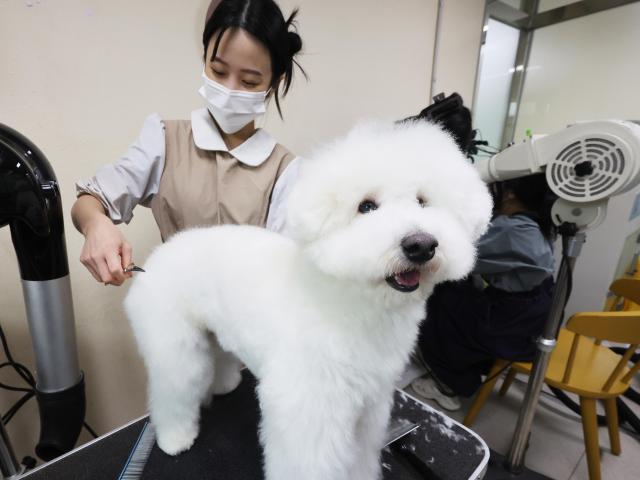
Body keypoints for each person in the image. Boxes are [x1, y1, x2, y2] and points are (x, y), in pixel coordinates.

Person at [71, 0, 304, 287]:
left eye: (249, 81)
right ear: (205, 59)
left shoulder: (286, 173)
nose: (230, 89)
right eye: (218, 71)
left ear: (274, 83)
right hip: (175, 320)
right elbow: (90, 201)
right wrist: (96, 225)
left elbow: (288, 279)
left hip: (252, 327)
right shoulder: (165, 140)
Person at [411, 173, 557, 411]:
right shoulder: (536, 224)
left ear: (509, 193)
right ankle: (467, 363)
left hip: (509, 326)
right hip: (530, 319)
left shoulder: (512, 231)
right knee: (457, 289)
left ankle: (450, 385)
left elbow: (452, 256)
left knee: (437, 300)